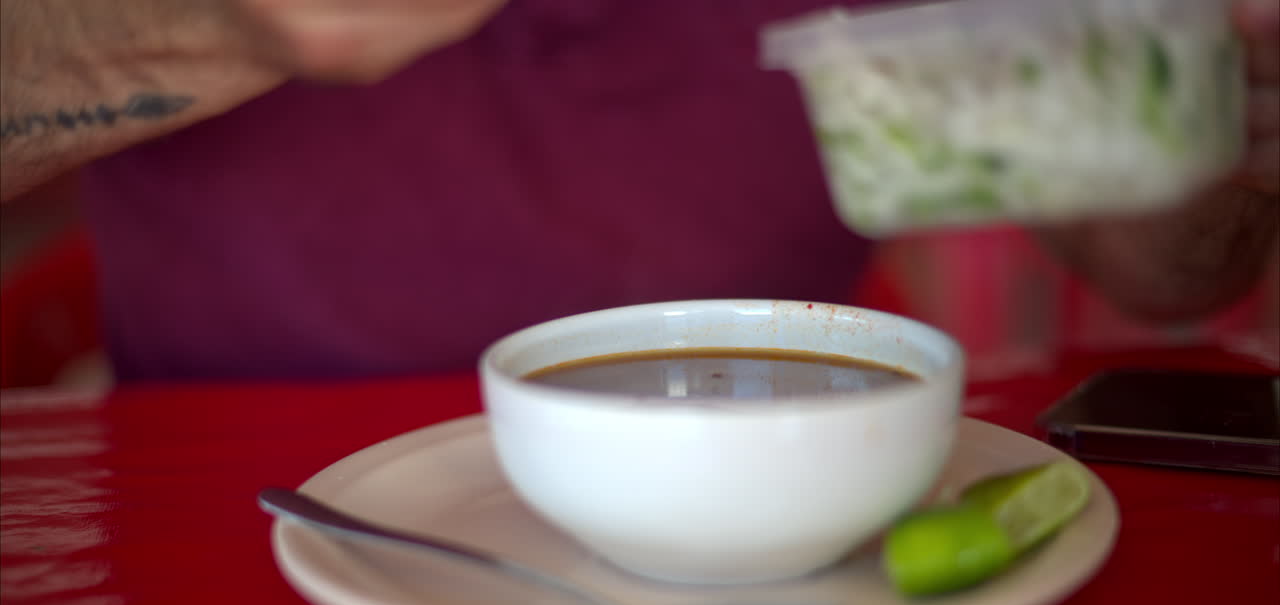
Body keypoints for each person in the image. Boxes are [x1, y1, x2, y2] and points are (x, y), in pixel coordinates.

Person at [1, 0, 1276, 382]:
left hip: (784, 535)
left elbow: (1167, 267)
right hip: (230, 531)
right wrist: (211, 22)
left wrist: (1215, 99)